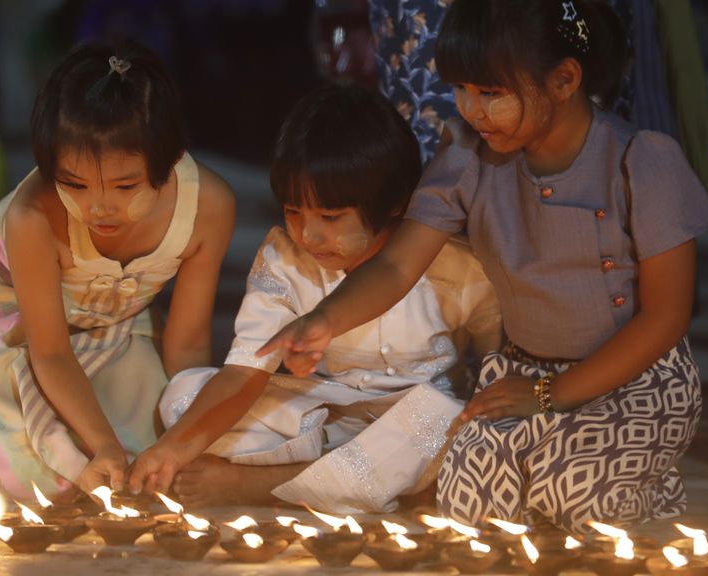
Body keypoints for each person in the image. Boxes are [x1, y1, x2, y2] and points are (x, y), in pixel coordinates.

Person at [261, 0, 708, 533]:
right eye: (460, 89)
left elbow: (666, 316)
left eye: (491, 93)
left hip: (633, 379)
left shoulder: (640, 161)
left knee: (574, 496)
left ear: (564, 80)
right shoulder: (469, 156)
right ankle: (560, 459)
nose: (471, 109)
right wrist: (325, 319)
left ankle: (647, 482)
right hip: (522, 374)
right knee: (468, 502)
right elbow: (397, 267)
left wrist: (551, 397)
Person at [0, 39, 235, 499]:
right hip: (19, 314)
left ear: (170, 159)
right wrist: (101, 445)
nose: (98, 207)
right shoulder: (33, 217)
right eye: (74, 184)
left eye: (125, 186)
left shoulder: (208, 207)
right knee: (37, 475)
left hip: (118, 315)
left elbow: (189, 342)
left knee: (147, 456)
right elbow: (52, 353)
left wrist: (181, 439)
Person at [128, 84, 502, 514]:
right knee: (183, 397)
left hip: (412, 429)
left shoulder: (458, 267)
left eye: (329, 216)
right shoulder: (285, 261)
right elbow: (244, 373)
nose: (308, 234)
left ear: (395, 202)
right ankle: (358, 484)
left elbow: (493, 361)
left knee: (450, 424)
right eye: (293, 211)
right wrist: (171, 450)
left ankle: (265, 485)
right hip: (323, 421)